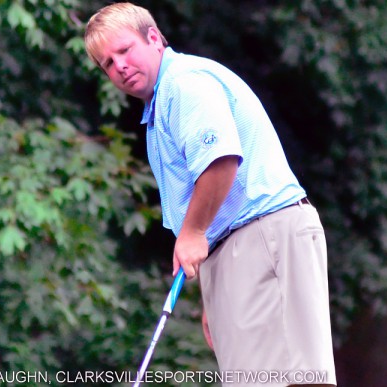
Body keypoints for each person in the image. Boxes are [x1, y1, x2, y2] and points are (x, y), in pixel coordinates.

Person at [84, 3, 337, 386]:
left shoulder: (185, 83)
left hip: (265, 235)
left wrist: (192, 233)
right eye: (107, 63)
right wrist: (213, 292)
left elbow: (220, 160)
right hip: (242, 246)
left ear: (153, 38)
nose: (118, 66)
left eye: (124, 50)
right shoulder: (162, 102)